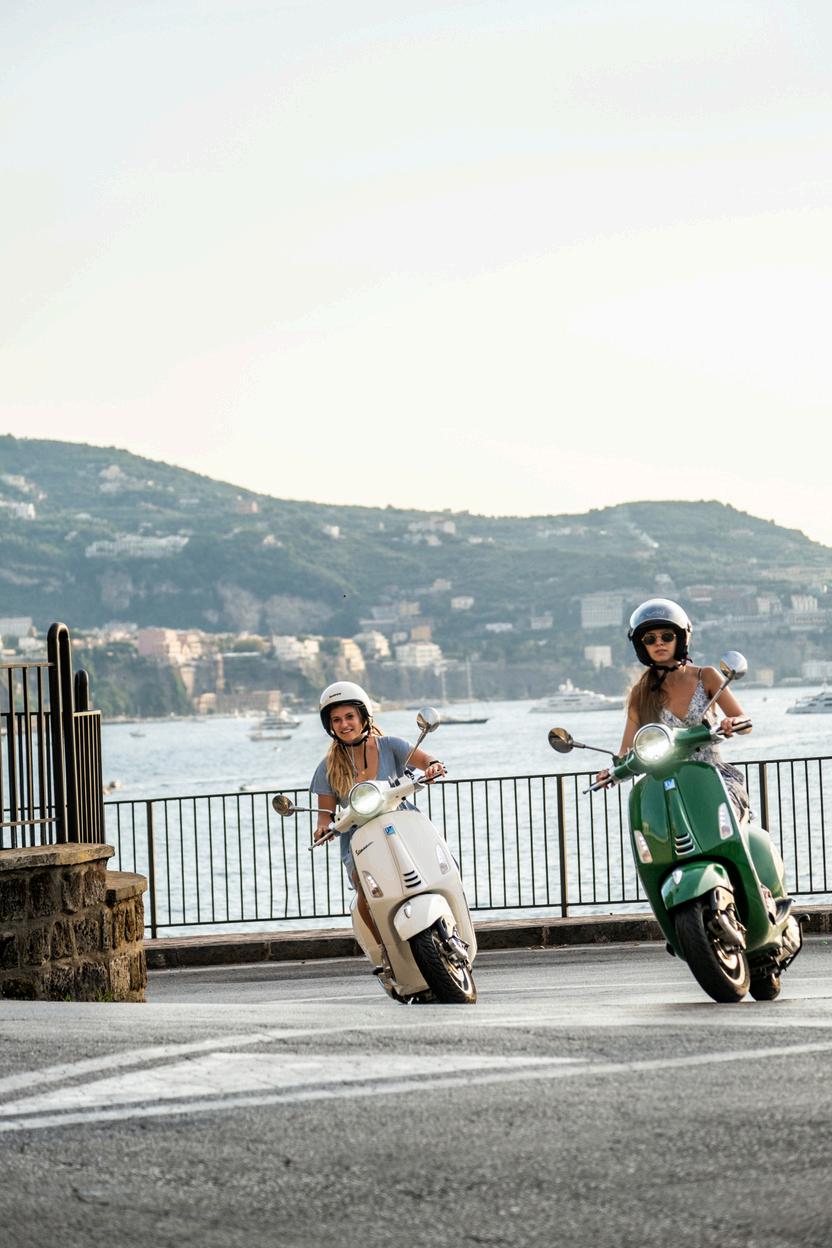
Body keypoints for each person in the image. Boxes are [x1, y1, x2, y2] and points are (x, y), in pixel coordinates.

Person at [310, 681, 446, 947]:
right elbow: (324, 814)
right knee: (366, 890)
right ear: (330, 726)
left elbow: (426, 760)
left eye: (349, 716)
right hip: (359, 839)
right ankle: (385, 948)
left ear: (363, 716)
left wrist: (433, 767)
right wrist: (322, 828)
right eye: (336, 720)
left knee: (440, 863)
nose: (344, 724)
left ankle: (450, 923)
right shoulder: (327, 767)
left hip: (402, 823)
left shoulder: (390, 746)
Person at [596, 598, 751, 819]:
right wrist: (611, 772)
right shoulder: (641, 694)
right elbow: (627, 751)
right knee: (650, 825)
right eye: (650, 639)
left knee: (723, 817)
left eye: (666, 636)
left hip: (712, 776)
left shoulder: (706, 676)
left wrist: (733, 722)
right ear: (642, 646)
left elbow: (744, 722)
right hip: (666, 785)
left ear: (680, 638)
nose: (659, 643)